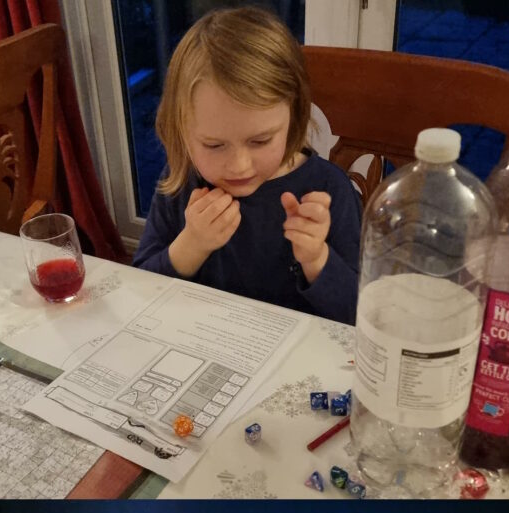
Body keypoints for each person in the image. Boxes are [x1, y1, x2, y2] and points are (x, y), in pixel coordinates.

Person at [132, 6, 360, 325]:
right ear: (181, 131)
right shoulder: (181, 181)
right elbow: (140, 291)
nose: (239, 167)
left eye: (261, 141)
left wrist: (316, 258)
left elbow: (359, 315)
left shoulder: (328, 190)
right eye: (213, 145)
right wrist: (192, 244)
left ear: (293, 117)